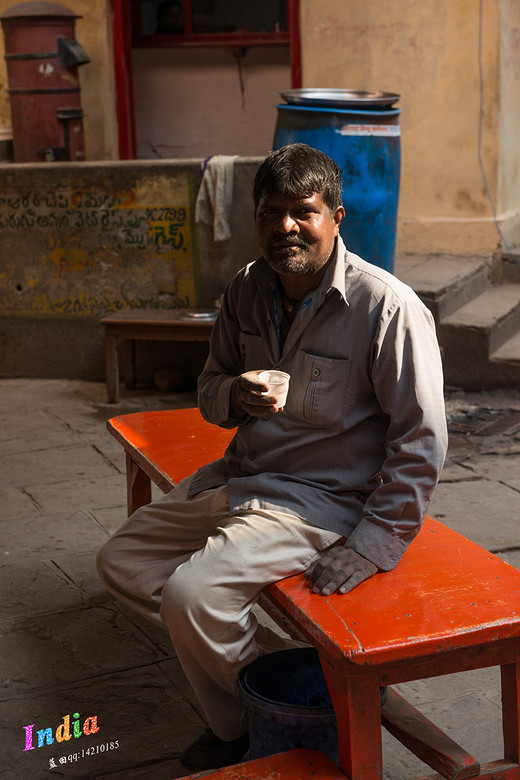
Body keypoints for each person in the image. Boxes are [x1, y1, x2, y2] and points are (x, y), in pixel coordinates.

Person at [97, 143, 448, 770]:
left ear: (337, 217)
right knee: (120, 561)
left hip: (321, 504)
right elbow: (209, 390)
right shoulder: (247, 290)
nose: (285, 226)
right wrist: (235, 394)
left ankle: (240, 727)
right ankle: (274, 672)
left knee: (192, 597)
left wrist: (372, 543)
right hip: (243, 478)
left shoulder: (385, 306)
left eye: (303, 212)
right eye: (270, 212)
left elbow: (422, 440)